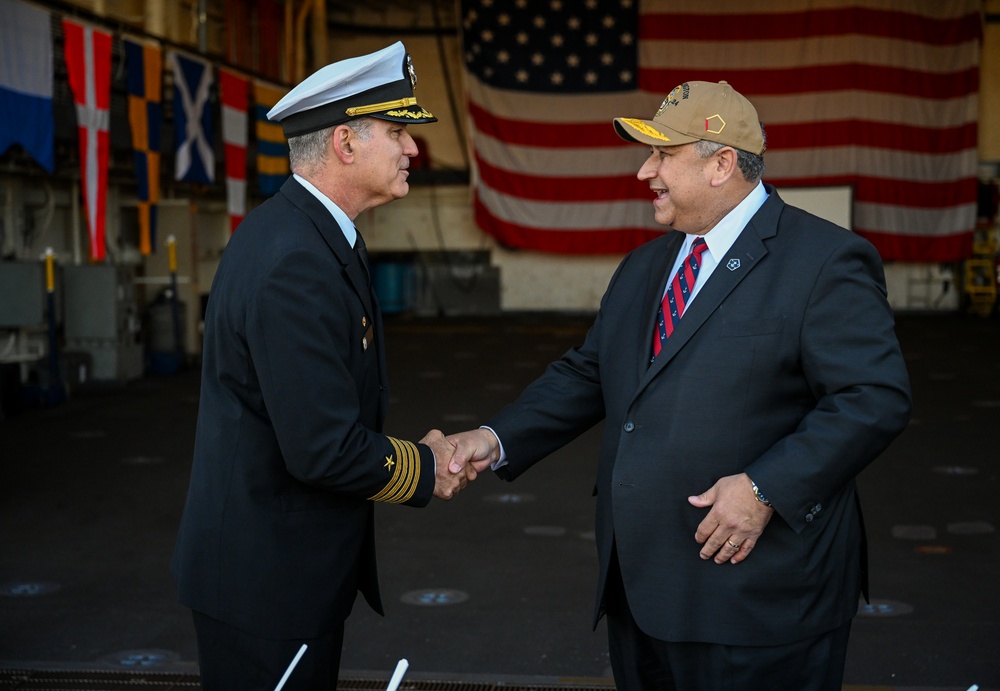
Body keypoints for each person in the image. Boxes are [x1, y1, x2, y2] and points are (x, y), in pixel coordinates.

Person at [447, 81, 911, 690]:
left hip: (757, 599)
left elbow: (872, 398)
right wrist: (496, 437)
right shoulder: (647, 264)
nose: (645, 173)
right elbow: (592, 370)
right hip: (643, 588)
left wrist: (764, 487)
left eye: (663, 155)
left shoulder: (824, 260)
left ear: (721, 163)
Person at [171, 42, 473, 690]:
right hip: (265, 591)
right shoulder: (296, 261)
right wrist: (425, 468)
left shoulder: (309, 234)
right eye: (397, 131)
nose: (412, 149)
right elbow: (321, 448)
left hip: (283, 575)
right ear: (344, 142)